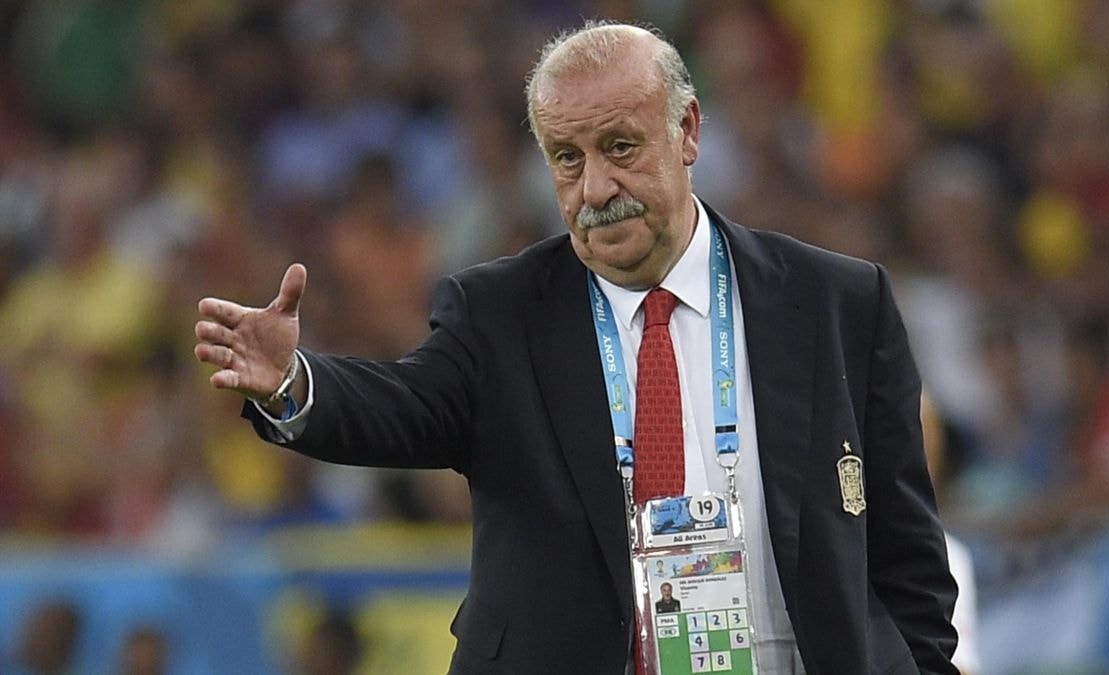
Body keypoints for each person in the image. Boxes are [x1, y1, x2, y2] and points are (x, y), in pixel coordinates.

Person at [195, 21, 958, 674]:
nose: (594, 188)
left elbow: (910, 555)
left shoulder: (837, 301)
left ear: (688, 131)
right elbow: (404, 406)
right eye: (567, 157)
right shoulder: (498, 312)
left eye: (620, 147)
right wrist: (292, 380)